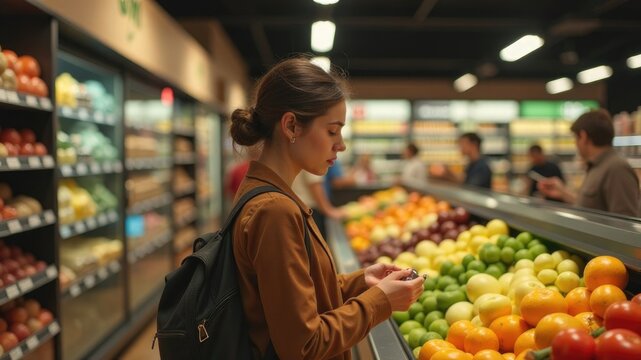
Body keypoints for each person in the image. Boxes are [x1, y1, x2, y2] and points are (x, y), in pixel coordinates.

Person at [229, 57, 423, 359]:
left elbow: (293, 296)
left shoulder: (267, 192)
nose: (341, 144)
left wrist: (361, 282)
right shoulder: (274, 210)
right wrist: (380, 301)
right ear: (291, 125)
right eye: (333, 131)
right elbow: (304, 345)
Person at [538, 109, 640, 217]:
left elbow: (625, 224)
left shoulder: (617, 168)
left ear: (583, 136)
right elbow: (594, 209)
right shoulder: (597, 166)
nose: (575, 144)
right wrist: (563, 193)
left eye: (576, 138)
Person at [292, 169, 344, 238]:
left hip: (300, 207)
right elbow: (314, 184)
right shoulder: (311, 160)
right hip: (310, 211)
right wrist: (328, 210)